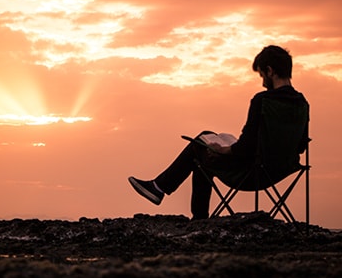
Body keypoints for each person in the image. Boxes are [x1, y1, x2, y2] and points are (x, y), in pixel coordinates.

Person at [128, 45, 310, 220]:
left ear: (270, 71)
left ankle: (164, 190)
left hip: (252, 173)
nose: (263, 83)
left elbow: (244, 147)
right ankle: (169, 194)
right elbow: (301, 146)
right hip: (280, 171)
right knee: (205, 145)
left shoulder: (263, 101)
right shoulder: (302, 104)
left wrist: (223, 150)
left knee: (200, 147)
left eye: (262, 75)